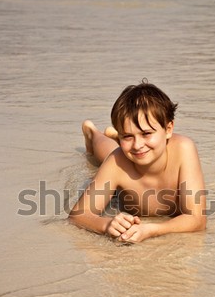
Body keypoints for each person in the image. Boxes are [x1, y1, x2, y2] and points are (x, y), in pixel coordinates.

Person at [69, 80, 206, 243]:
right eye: (127, 135)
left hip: (127, 155)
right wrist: (106, 224)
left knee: (122, 152)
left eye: (146, 133)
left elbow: (197, 219)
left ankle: (113, 135)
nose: (138, 144)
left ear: (168, 129)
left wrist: (152, 229)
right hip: (121, 158)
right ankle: (93, 133)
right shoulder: (117, 161)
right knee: (111, 154)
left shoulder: (184, 149)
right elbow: (77, 215)